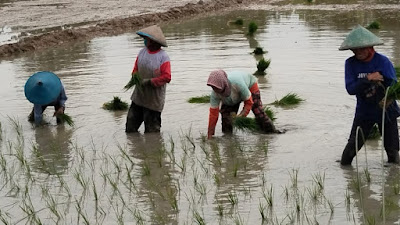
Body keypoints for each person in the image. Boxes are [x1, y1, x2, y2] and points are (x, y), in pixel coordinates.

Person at [339, 25, 400, 165]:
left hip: (386, 112)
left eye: (362, 48)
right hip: (364, 112)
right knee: (349, 153)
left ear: (371, 47)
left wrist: (383, 79)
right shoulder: (350, 63)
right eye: (355, 49)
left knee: (393, 154)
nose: (358, 52)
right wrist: (368, 79)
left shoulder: (383, 61)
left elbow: (393, 86)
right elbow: (350, 89)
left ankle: (393, 183)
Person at [207, 70, 278, 139]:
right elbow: (213, 115)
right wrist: (210, 134)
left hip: (249, 87)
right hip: (232, 98)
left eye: (216, 87)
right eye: (213, 87)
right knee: (226, 118)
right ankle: (228, 140)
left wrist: (242, 115)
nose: (214, 89)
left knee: (258, 112)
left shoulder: (238, 84)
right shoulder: (215, 94)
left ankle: (271, 133)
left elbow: (249, 102)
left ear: (223, 84)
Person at [125, 24, 171, 133]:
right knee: (130, 129)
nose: (145, 41)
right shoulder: (142, 52)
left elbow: (167, 77)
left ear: (153, 41)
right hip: (139, 97)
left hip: (153, 100)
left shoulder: (163, 57)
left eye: (147, 39)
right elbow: (135, 69)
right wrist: (134, 76)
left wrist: (149, 81)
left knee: (152, 133)